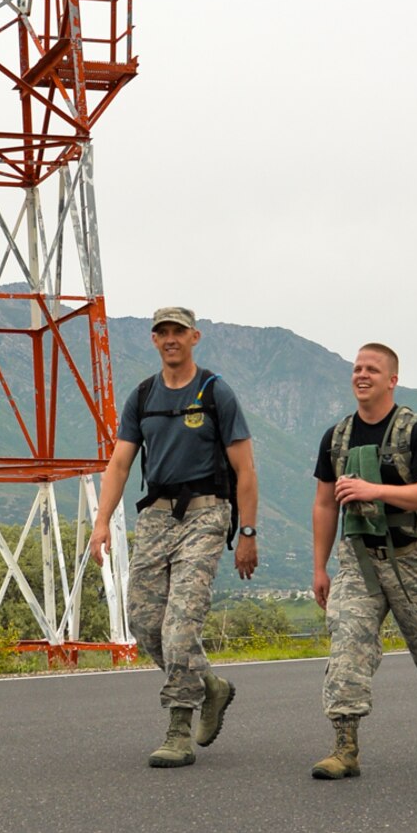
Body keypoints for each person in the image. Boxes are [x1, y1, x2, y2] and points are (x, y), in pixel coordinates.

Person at [91, 306, 259, 768]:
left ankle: (179, 728)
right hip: (157, 516)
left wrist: (246, 531)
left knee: (180, 625)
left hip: (206, 515)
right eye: (162, 332)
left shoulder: (214, 392)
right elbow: (120, 463)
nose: (170, 339)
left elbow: (245, 468)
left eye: (178, 332)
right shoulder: (143, 395)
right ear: (154, 340)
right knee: (145, 621)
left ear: (194, 337)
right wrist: (103, 520)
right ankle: (210, 686)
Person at [310, 342, 417, 780]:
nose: (361, 375)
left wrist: (375, 491)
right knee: (347, 640)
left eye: (372, 369)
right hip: (360, 559)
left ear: (392, 379)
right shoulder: (338, 437)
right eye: (356, 369)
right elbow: (325, 504)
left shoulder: (415, 431)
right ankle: (345, 746)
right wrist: (319, 567)